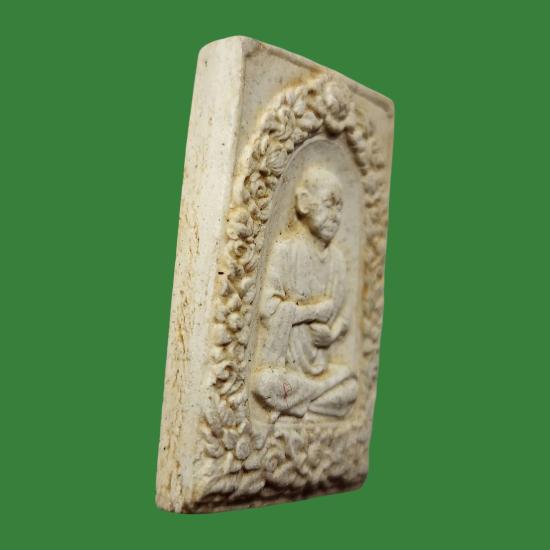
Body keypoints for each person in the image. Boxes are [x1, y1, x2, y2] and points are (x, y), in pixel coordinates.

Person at [252, 165, 358, 420]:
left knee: (352, 388)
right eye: (329, 204)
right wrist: (313, 311)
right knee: (264, 385)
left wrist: (331, 335)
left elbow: (345, 314)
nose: (335, 216)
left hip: (318, 368)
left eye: (339, 208)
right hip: (285, 370)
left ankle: (300, 404)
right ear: (303, 202)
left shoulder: (338, 261)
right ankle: (315, 401)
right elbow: (269, 310)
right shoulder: (286, 251)